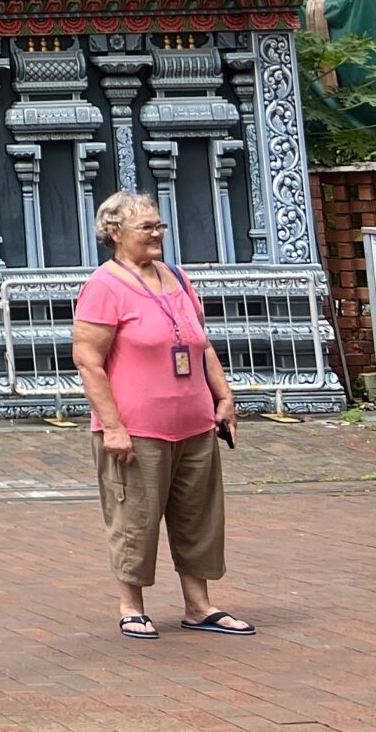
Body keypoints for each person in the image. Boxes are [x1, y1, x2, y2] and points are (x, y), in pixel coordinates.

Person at [72, 191, 254, 642]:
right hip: (137, 428)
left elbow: (201, 342)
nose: (157, 234)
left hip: (193, 423)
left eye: (159, 225)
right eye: (146, 227)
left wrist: (224, 396)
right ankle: (131, 606)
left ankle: (199, 605)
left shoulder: (176, 276)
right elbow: (88, 361)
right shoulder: (104, 286)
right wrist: (112, 427)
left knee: (199, 516)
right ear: (114, 233)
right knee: (135, 518)